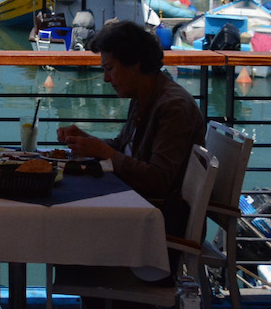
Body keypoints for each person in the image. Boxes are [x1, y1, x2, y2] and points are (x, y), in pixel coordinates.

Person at [56, 20, 206, 234]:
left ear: (135, 63)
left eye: (109, 69)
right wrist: (87, 142)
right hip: (136, 204)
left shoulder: (174, 107)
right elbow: (123, 146)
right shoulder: (144, 93)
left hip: (159, 221)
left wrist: (104, 153)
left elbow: (158, 180)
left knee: (69, 223)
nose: (106, 79)